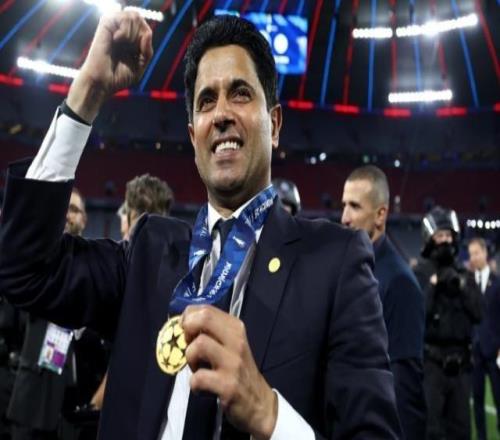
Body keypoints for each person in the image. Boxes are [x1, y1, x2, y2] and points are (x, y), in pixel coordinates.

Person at [0, 12, 402, 439]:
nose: (221, 113)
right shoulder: (148, 251)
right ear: (194, 138)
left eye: (240, 94)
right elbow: (25, 269)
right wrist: (88, 92)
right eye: (206, 100)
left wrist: (270, 416)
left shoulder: (334, 261)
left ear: (275, 124)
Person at [341, 165, 426, 440]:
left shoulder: (400, 283)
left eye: (354, 206)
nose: (344, 218)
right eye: (344, 205)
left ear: (381, 215)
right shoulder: (353, 268)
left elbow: (405, 384)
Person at [7, 190, 88, 440]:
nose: (68, 215)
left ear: (84, 219)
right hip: (31, 404)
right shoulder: (33, 262)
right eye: (64, 208)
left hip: (75, 409)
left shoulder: (94, 270)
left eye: (74, 210)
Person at [414, 206, 482, 440]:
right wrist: (433, 286)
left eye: (448, 235)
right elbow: (419, 315)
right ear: (429, 238)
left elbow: (479, 314)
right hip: (432, 365)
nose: (444, 240)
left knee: (461, 431)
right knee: (431, 430)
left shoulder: (464, 273)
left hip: (461, 367)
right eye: (439, 235)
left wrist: (462, 287)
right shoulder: (421, 273)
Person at [468, 238, 500, 440]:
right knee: (477, 401)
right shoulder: (468, 283)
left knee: (499, 398)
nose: (473, 257)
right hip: (475, 353)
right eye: (471, 254)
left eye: (476, 253)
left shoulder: (497, 283)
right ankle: (481, 437)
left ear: (485, 253)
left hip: (495, 351)